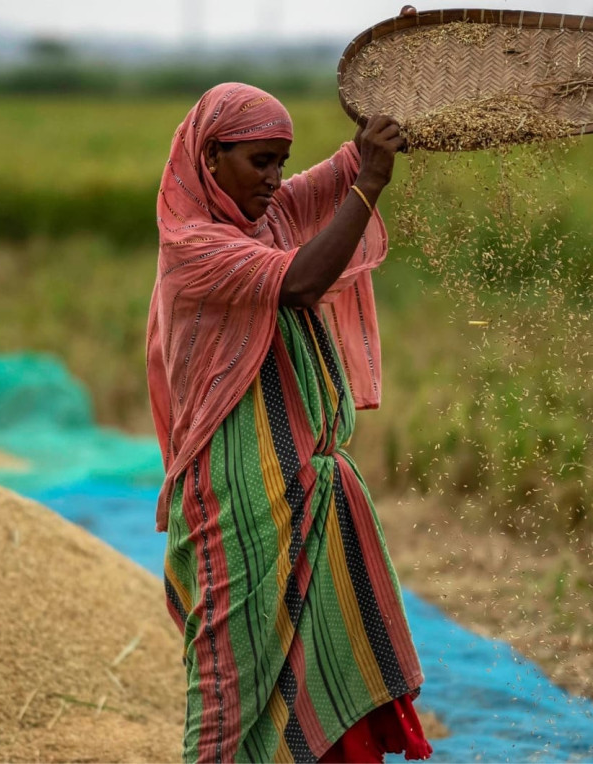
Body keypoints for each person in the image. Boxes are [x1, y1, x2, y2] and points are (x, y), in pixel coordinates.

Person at [146, 82, 432, 763]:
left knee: (312, 668)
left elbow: (342, 172)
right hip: (236, 501)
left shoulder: (263, 218)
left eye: (282, 161)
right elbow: (301, 279)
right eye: (260, 162)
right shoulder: (197, 248)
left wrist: (395, 94)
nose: (276, 180)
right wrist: (369, 180)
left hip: (301, 487)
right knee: (227, 692)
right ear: (211, 159)